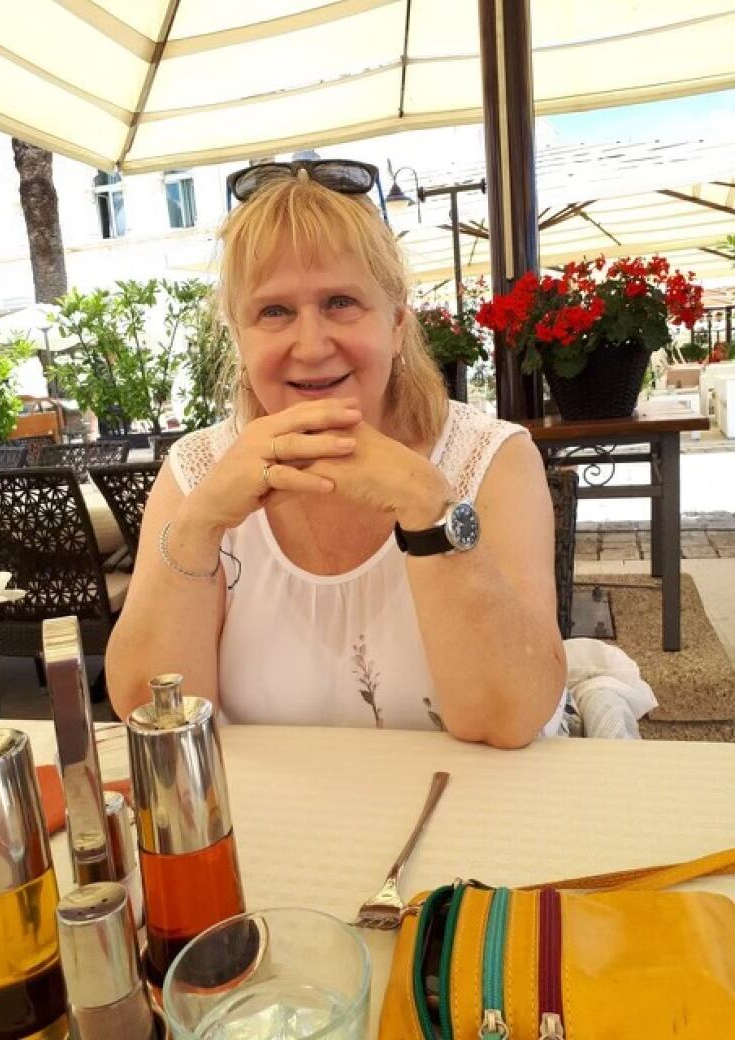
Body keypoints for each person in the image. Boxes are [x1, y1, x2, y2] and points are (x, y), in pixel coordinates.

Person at [106, 160, 566, 747]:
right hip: (274, 827)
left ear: (396, 324)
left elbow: (510, 716)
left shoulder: (492, 459)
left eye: (341, 302)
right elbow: (152, 711)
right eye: (274, 312)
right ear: (239, 336)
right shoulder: (195, 472)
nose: (311, 344)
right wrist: (200, 524)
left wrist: (427, 504)